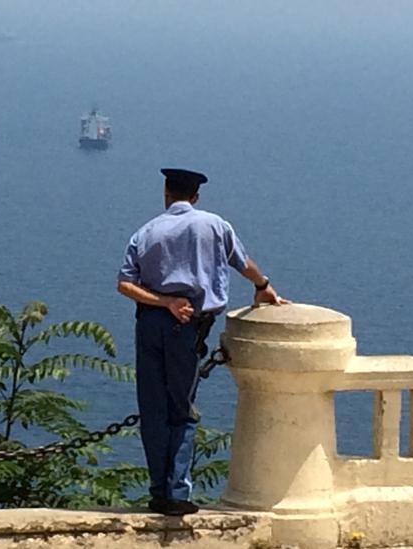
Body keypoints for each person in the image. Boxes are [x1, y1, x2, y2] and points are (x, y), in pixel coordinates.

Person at [117, 168, 288, 516]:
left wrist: (162, 301)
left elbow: (124, 283)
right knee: (181, 411)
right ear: (195, 197)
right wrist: (263, 285)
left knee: (153, 410)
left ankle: (157, 492)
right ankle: (177, 493)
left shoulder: (146, 232)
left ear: (166, 193)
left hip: (149, 322)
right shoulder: (215, 225)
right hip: (187, 323)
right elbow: (243, 263)